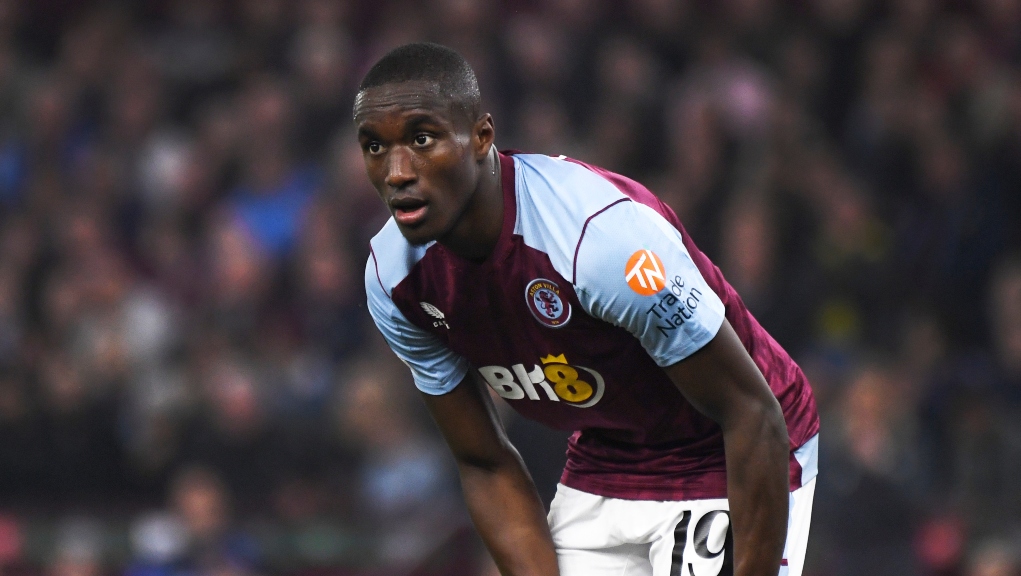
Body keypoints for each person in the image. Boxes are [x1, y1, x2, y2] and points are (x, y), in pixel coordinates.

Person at [357, 42, 819, 576]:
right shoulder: (393, 280)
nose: (396, 172)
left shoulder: (598, 240)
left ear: (481, 137)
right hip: (607, 456)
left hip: (725, 445)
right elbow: (484, 462)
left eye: (421, 139)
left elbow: (751, 413)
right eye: (374, 146)